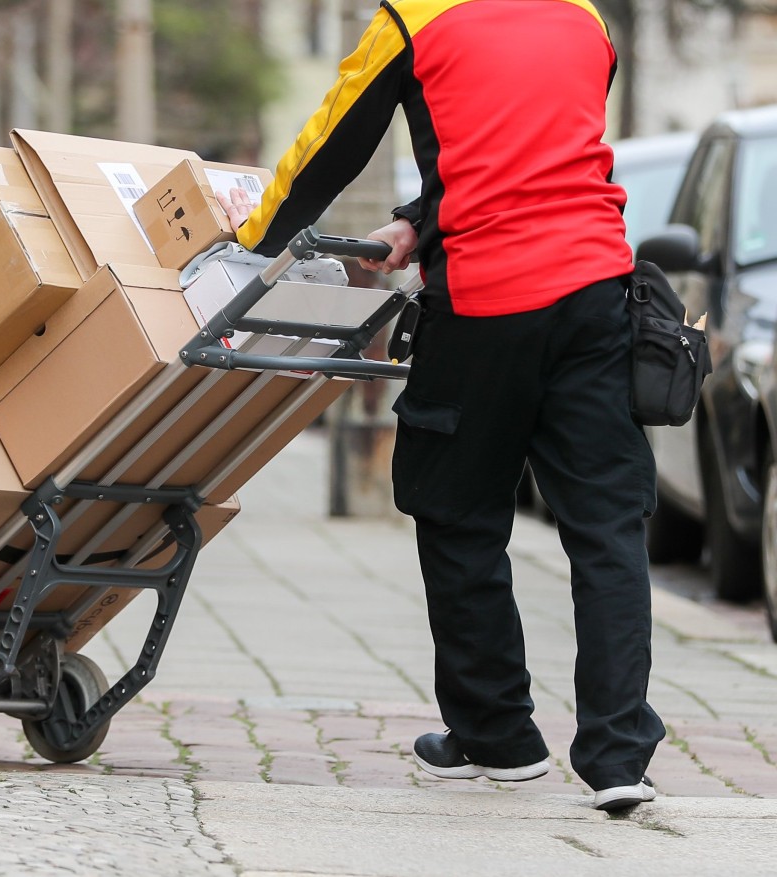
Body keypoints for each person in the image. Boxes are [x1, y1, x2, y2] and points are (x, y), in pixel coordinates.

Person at [220, 0, 664, 811]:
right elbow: (538, 149)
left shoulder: (414, 17)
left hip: (487, 302)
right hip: (598, 297)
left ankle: (497, 736)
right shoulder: (584, 17)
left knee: (457, 512)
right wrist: (420, 220)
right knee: (607, 524)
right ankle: (618, 752)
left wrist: (246, 240)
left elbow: (333, 144)